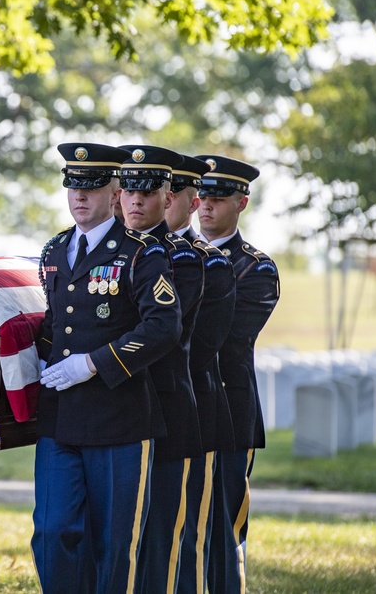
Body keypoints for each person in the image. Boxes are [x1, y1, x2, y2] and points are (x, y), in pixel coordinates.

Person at [33, 142, 181, 593]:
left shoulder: (141, 252)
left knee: (115, 544)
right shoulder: (55, 248)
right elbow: (54, 323)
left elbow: (164, 325)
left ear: (115, 192)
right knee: (53, 531)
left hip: (119, 419)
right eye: (73, 186)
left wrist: (96, 364)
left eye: (92, 187)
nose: (80, 196)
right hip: (61, 419)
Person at [116, 146, 204, 594]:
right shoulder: (108, 251)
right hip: (114, 408)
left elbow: (163, 332)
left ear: (168, 199)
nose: (134, 200)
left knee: (160, 540)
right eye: (127, 189)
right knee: (115, 540)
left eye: (146, 192)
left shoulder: (185, 258)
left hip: (165, 409)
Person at [195, 155, 280, 594]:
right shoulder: (169, 255)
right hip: (179, 406)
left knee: (223, 529)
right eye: (201, 195)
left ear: (241, 202)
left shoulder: (255, 268)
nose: (206, 205)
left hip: (227, 411)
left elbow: (226, 338)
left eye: (218, 197)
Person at [165, 155, 238, 594]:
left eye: (171, 195)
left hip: (193, 406)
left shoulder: (212, 263)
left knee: (192, 528)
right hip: (139, 407)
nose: (159, 201)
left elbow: (203, 348)